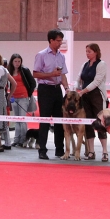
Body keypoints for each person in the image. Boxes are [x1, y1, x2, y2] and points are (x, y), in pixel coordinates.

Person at [33, 29, 70, 160]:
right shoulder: (41, 55)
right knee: (44, 120)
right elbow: (35, 73)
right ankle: (42, 149)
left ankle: (59, 150)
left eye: (61, 40)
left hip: (57, 90)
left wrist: (66, 88)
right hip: (45, 89)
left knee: (59, 120)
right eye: (58, 40)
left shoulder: (61, 56)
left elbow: (63, 74)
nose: (60, 43)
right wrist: (51, 74)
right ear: (51, 40)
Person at [76, 43, 109, 162]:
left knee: (101, 123)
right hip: (86, 97)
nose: (87, 53)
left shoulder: (101, 64)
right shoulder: (84, 65)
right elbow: (79, 78)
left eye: (89, 51)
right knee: (88, 123)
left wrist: (82, 91)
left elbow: (97, 81)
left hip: (97, 97)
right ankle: (91, 151)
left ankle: (105, 152)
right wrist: (75, 90)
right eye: (86, 51)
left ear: (96, 52)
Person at [8, 53, 36, 147]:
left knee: (22, 119)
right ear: (12, 62)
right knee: (16, 119)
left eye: (19, 61)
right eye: (15, 61)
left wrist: (28, 94)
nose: (17, 63)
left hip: (23, 97)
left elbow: (33, 83)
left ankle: (23, 140)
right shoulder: (9, 71)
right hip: (14, 97)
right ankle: (16, 139)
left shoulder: (24, 70)